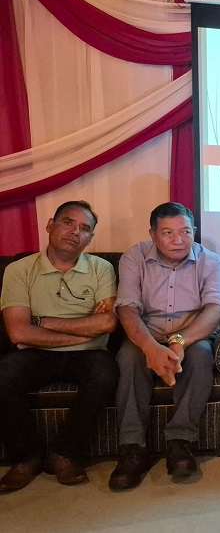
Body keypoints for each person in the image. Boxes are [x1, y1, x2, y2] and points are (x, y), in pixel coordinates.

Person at [108, 202, 220, 490]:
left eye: (185, 232)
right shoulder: (134, 257)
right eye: (167, 233)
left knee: (200, 357)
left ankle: (180, 441)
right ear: (152, 234)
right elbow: (127, 308)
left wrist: (179, 341)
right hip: (146, 334)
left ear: (194, 231)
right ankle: (132, 448)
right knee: (129, 359)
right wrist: (151, 348)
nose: (178, 240)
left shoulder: (211, 261)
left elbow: (216, 309)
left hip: (192, 334)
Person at [0, 201, 119, 492]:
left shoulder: (102, 268)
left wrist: (41, 322)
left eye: (84, 228)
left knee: (106, 374)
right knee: (3, 374)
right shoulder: (18, 270)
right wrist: (84, 331)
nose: (75, 232)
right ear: (50, 225)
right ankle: (26, 457)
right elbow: (18, 331)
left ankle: (64, 452)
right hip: (34, 353)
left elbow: (106, 323)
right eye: (68, 222)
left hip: (89, 355)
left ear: (90, 238)